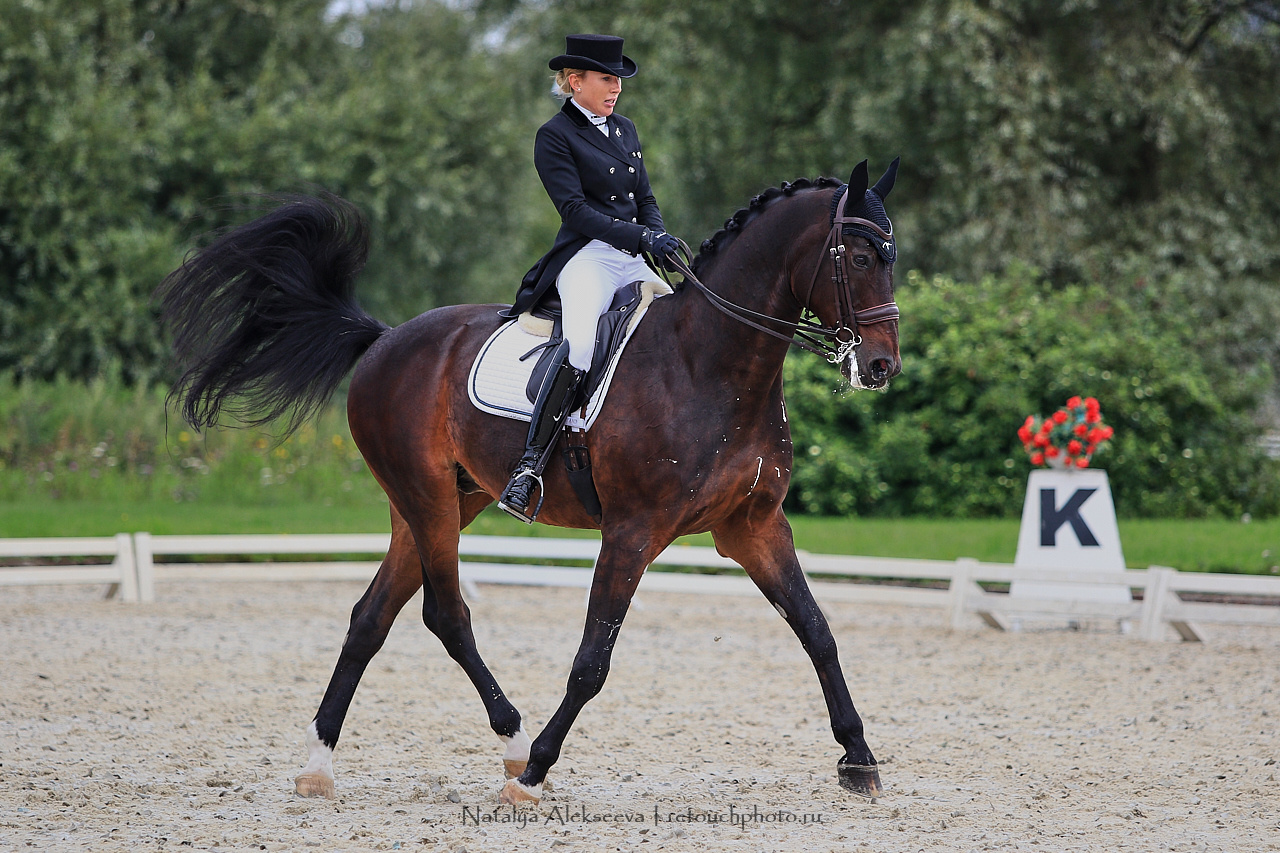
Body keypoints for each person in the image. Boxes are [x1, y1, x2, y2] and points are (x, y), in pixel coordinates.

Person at [497, 33, 679, 521]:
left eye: (618, 79)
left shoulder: (625, 129)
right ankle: (529, 468)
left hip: (634, 254)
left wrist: (656, 237)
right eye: (606, 78)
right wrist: (641, 239)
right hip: (589, 257)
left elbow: (646, 198)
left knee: (679, 328)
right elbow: (575, 210)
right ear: (574, 81)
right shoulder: (554, 136)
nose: (615, 87)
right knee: (580, 345)